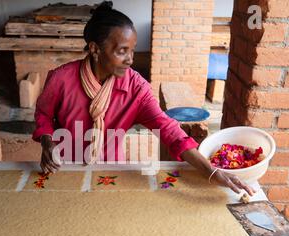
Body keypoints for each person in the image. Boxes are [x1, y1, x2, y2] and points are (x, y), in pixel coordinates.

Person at [32, 2, 254, 196]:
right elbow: (44, 114)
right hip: (63, 167)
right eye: (121, 51)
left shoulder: (135, 88)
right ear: (95, 49)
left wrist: (210, 170)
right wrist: (47, 141)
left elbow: (168, 129)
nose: (130, 60)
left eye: (132, 50)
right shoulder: (61, 79)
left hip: (111, 168)